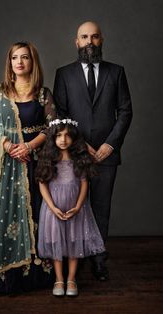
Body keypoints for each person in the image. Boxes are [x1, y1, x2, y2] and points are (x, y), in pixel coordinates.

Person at [0, 41, 56, 294]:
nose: (19, 62)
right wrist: (6, 144)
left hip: (33, 165)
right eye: (15, 57)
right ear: (10, 62)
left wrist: (29, 147)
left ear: (32, 62)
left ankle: (34, 275)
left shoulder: (42, 94)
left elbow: (53, 126)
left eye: (25, 57)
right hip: (4, 167)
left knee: (35, 216)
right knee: (5, 216)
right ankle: (2, 274)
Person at [53, 21, 133, 281]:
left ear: (102, 40)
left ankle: (99, 260)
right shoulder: (64, 74)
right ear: (76, 42)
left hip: (107, 155)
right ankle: (72, 257)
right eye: (84, 37)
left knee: (100, 207)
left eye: (94, 37)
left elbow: (125, 111)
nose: (89, 41)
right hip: (74, 154)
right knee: (72, 205)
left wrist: (110, 144)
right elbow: (60, 114)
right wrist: (80, 144)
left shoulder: (116, 72)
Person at [36, 119, 105, 296]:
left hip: (76, 209)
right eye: (59, 135)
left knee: (75, 242)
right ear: (53, 138)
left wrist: (78, 206)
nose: (63, 139)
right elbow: (42, 184)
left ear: (74, 137)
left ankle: (71, 279)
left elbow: (84, 184)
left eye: (67, 135)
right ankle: (59, 278)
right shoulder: (49, 159)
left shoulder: (78, 159)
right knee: (56, 242)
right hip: (54, 209)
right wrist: (52, 207)